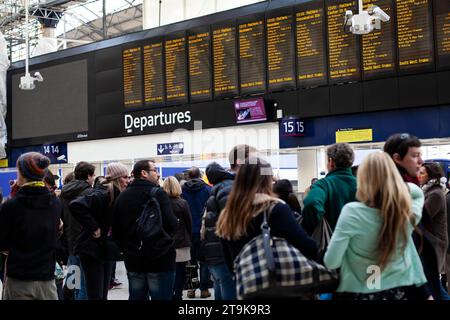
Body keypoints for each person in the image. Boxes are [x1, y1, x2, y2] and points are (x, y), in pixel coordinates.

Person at [324, 152, 429, 300]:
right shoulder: (405, 214)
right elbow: (418, 193)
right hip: (398, 292)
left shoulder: (352, 212)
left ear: (361, 179)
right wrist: (397, 187)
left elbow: (331, 261)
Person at [216, 157, 318, 280]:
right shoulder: (276, 209)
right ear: (267, 180)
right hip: (278, 284)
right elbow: (307, 246)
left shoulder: (227, 215)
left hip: (246, 286)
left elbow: (229, 261)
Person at [384, 133, 439, 299]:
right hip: (411, 285)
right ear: (397, 159)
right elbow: (403, 246)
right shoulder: (398, 193)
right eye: (415, 156)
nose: (421, 161)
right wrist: (424, 293)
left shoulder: (402, 187)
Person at [113, 160, 178, 300]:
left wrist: (126, 249)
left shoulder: (122, 197)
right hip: (160, 259)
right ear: (144, 173)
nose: (158, 174)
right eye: (155, 170)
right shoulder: (158, 194)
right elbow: (172, 224)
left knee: (137, 296)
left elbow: (116, 230)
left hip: (133, 259)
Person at [0, 152, 61, 300]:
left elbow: (2, 243)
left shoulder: (12, 205)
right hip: (47, 279)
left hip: (20, 280)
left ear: (21, 173)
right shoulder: (55, 203)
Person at [69, 162, 129, 300]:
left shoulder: (117, 194)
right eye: (125, 177)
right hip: (91, 249)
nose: (128, 180)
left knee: (101, 293)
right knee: (93, 293)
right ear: (117, 178)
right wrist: (94, 227)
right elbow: (75, 205)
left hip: (103, 249)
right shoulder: (104, 193)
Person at [302, 143, 357, 234]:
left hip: (331, 243)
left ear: (331, 162)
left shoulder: (323, 184)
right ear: (350, 163)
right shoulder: (363, 185)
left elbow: (311, 203)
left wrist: (314, 226)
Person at [60, 162, 96, 300]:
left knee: (73, 280)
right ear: (88, 176)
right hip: (86, 243)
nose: (93, 178)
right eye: (92, 175)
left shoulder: (64, 193)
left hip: (71, 243)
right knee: (84, 285)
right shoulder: (89, 192)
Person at [419, 162, 449, 299]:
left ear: (431, 176)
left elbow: (422, 216)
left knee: (434, 283)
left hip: (434, 243)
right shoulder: (428, 191)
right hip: (429, 243)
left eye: (422, 173)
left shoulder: (435, 194)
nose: (419, 175)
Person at [182, 166, 212, 298]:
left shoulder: (182, 190)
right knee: (204, 260)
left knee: (190, 261)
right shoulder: (208, 189)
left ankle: (191, 289)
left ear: (188, 176)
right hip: (203, 230)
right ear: (200, 175)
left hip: (187, 231)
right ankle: (204, 289)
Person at [162, 176, 192, 300]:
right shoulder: (182, 203)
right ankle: (178, 295)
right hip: (181, 242)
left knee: (167, 272)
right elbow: (189, 223)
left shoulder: (161, 203)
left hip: (165, 242)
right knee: (180, 271)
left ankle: (168, 294)